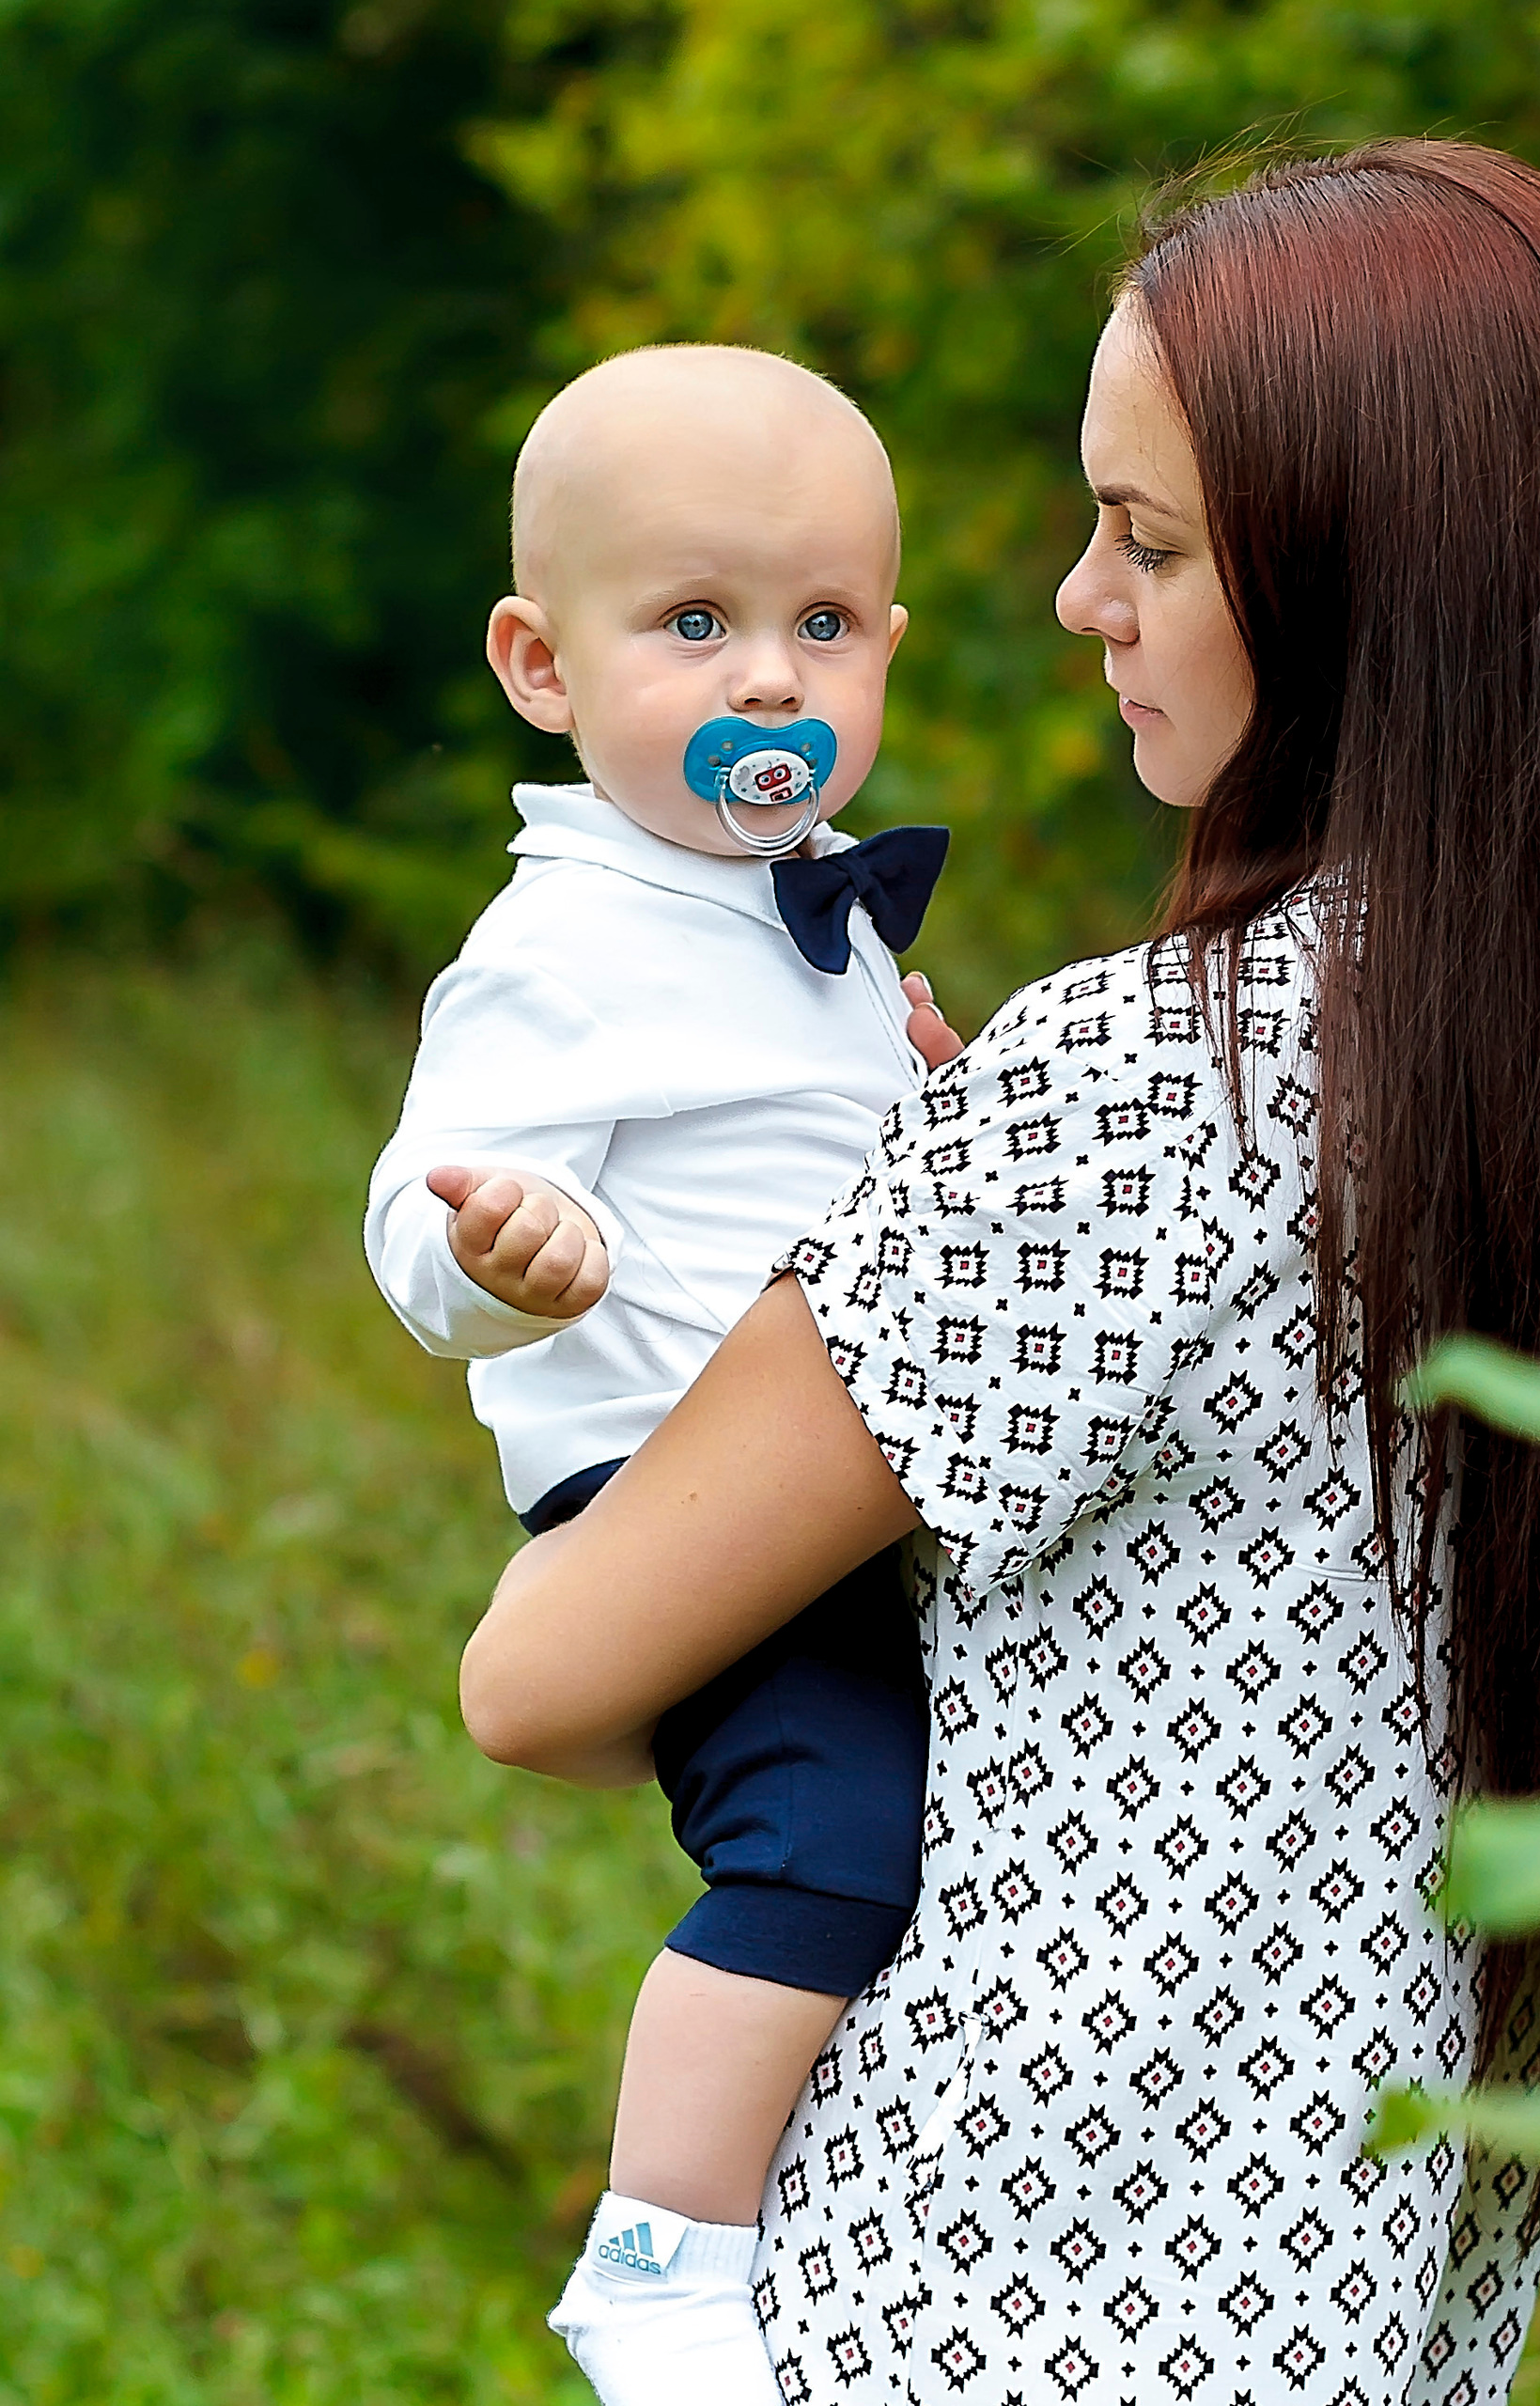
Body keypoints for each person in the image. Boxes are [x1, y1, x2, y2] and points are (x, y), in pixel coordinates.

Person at [461, 141, 1540, 2406]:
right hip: (1364, 2323)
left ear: (1373, 584)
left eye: (1151, 538)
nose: (1077, 594)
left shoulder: (1144, 1077)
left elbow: (546, 1673)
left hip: (971, 2313)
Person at [365, 344, 964, 2406]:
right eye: (693, 624)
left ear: (887, 643)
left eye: (819, 625)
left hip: (843, 1475)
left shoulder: (811, 913)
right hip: (672, 1489)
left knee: (928, 1847)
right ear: (541, 663)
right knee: (823, 1840)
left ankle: (836, 2208)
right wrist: (493, 1254)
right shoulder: (567, 938)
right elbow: (418, 1198)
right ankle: (658, 2252)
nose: (769, 680)